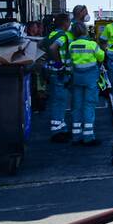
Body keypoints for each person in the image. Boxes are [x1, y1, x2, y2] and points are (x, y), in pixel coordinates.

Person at [66, 22, 104, 146]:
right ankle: (88, 136)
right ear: (85, 31)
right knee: (89, 105)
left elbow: (69, 62)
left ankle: (76, 135)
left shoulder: (71, 45)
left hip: (77, 79)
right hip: (90, 79)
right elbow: (101, 57)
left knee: (77, 106)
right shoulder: (92, 44)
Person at [44, 13, 73, 143]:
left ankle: (61, 127)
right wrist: (59, 64)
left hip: (52, 72)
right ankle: (57, 131)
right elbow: (53, 48)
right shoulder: (62, 36)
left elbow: (42, 45)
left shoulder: (51, 35)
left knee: (59, 100)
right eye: (69, 22)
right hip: (59, 73)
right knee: (60, 101)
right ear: (65, 23)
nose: (70, 24)